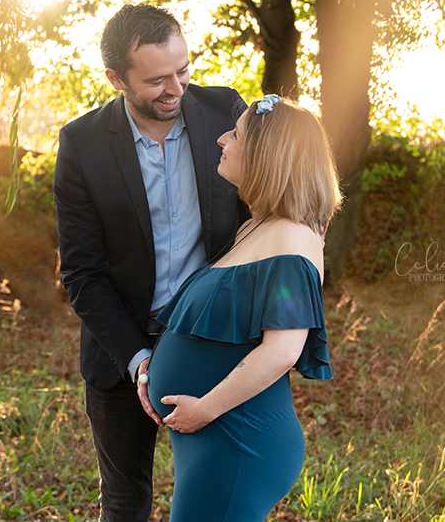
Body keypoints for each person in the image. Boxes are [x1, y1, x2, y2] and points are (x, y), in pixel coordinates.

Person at [53, 3, 248, 522]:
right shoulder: (81, 144)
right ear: (115, 77)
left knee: (220, 499)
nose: (177, 88)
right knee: (123, 503)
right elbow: (82, 273)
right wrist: (139, 360)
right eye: (157, 79)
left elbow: (264, 215)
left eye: (183, 70)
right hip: (121, 355)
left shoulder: (227, 113)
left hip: (215, 342)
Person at [144, 94, 340, 522]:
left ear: (266, 155)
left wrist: (204, 410)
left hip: (238, 441)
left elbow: (283, 350)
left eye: (235, 134)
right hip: (214, 439)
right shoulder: (257, 226)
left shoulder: (292, 239)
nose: (221, 139)